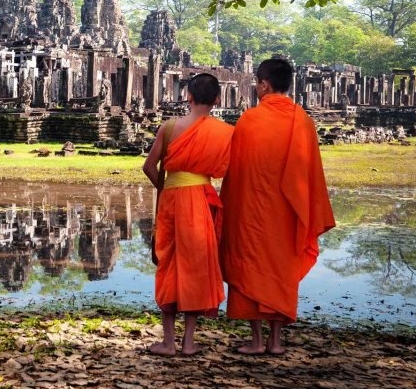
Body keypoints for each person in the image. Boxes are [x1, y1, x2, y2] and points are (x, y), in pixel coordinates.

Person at [219, 58, 335, 355]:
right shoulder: (303, 121)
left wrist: (229, 207)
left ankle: (256, 341)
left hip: (252, 212)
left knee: (250, 267)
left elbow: (237, 172)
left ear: (264, 84)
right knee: (280, 269)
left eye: (257, 83)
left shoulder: (250, 120)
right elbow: (310, 174)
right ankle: (275, 341)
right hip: (287, 213)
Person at [141, 73, 234, 356]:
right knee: (195, 266)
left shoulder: (169, 128)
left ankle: (168, 342)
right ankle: (189, 342)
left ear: (188, 96)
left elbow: (149, 166)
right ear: (218, 99)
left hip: (172, 200)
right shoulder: (225, 132)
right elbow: (226, 170)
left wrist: (168, 186)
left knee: (168, 263)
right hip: (200, 201)